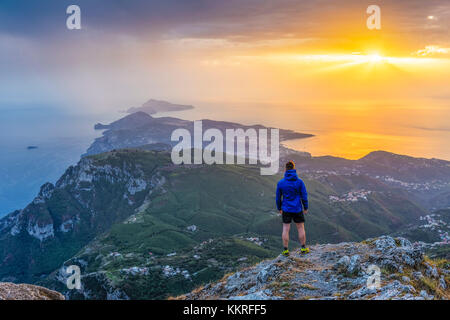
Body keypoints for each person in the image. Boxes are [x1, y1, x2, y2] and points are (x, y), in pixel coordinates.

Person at [276, 160, 309, 257]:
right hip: (297, 208)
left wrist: (279, 208)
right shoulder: (299, 182)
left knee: (286, 229)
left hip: (286, 209)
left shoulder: (281, 183)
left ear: (285, 169)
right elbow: (304, 196)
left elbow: (278, 198)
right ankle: (303, 248)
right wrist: (305, 207)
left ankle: (285, 250)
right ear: (294, 169)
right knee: (300, 228)